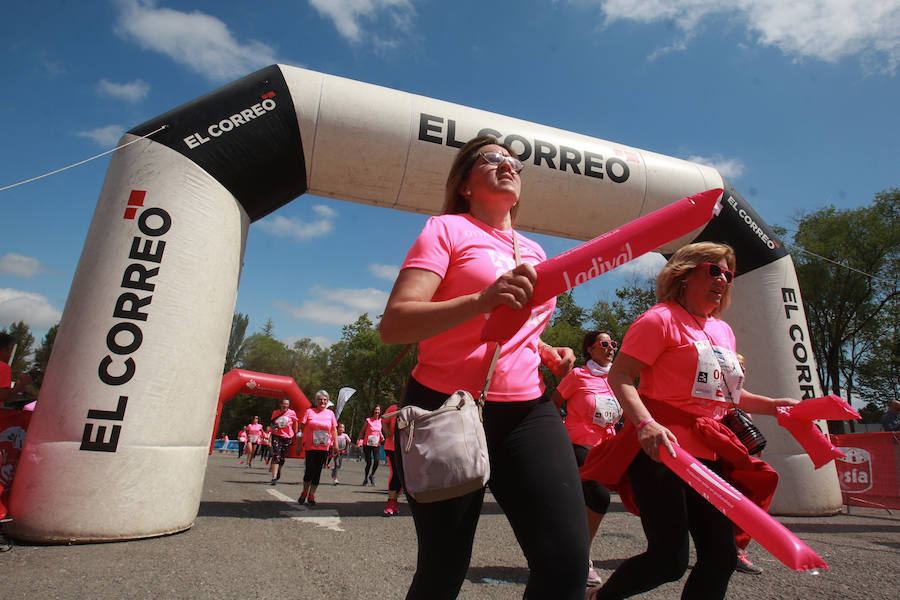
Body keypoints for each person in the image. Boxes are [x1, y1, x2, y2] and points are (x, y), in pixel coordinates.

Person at [379, 135, 587, 599]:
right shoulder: (446, 229)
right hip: (444, 406)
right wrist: (481, 299)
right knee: (444, 569)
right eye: (492, 159)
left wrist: (544, 349)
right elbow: (394, 324)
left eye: (514, 162)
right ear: (466, 184)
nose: (507, 165)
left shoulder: (534, 251)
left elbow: (511, 325)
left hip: (527, 410)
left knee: (567, 564)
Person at [582, 242, 799, 600]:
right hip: (661, 452)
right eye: (713, 270)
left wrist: (776, 405)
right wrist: (645, 424)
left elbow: (727, 396)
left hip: (710, 457)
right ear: (684, 274)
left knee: (721, 556)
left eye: (728, 274)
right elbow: (620, 375)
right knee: (668, 560)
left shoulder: (723, 331)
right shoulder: (659, 319)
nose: (723, 279)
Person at [551, 330, 621, 586]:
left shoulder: (616, 378)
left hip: (608, 446)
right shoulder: (579, 375)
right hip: (579, 442)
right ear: (590, 349)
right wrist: (554, 432)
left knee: (581, 502)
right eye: (604, 343)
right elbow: (554, 402)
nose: (610, 347)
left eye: (613, 343)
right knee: (599, 497)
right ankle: (581, 557)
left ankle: (566, 551)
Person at [297, 391, 339, 506]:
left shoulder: (330, 414)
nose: (322, 402)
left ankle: (311, 494)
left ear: (327, 402)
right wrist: (299, 444)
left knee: (317, 472)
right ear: (316, 401)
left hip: (324, 447)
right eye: (320, 399)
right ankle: (304, 492)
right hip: (310, 446)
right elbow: (301, 428)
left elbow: (334, 430)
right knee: (309, 470)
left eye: (325, 400)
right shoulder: (309, 412)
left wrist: (336, 445)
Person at [269, 398, 299, 485]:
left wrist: (296, 432)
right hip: (277, 436)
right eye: (283, 403)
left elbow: (296, 421)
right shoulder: (275, 413)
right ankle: (274, 477)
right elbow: (272, 423)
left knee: (282, 458)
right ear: (280, 404)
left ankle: (278, 470)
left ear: (288, 405)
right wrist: (273, 428)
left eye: (286, 404)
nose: (285, 405)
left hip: (287, 437)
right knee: (276, 455)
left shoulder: (291, 413)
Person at [381, 403, 402, 516]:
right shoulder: (393, 408)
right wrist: (387, 432)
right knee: (395, 473)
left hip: (405, 449)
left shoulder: (412, 409)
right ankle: (390, 502)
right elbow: (383, 420)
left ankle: (395, 501)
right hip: (391, 447)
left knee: (402, 476)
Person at [0, 333, 31, 410]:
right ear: (4, 350)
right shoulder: (3, 367)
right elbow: (3, 396)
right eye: (10, 351)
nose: (10, 355)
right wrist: (21, 385)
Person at [358, 405, 384, 486]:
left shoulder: (381, 421)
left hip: (376, 443)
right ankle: (365, 478)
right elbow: (362, 431)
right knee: (368, 462)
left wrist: (382, 436)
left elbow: (379, 431)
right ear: (373, 411)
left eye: (378, 410)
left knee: (376, 461)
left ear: (380, 412)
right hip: (367, 444)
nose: (377, 412)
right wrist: (359, 440)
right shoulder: (368, 420)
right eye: (375, 410)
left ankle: (372, 475)